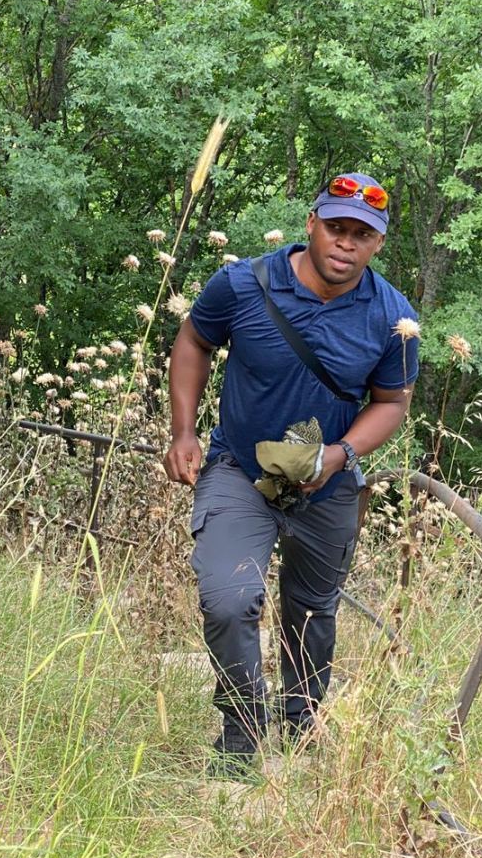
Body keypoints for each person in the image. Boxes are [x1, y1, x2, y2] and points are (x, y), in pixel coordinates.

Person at [164, 172, 420, 776]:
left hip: (328, 483)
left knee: (311, 612)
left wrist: (341, 455)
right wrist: (183, 431)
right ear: (312, 223)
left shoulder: (394, 320)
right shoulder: (243, 283)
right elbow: (193, 341)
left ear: (377, 244)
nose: (345, 243)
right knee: (229, 599)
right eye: (336, 227)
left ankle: (302, 728)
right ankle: (242, 738)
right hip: (238, 468)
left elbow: (391, 402)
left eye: (362, 234)